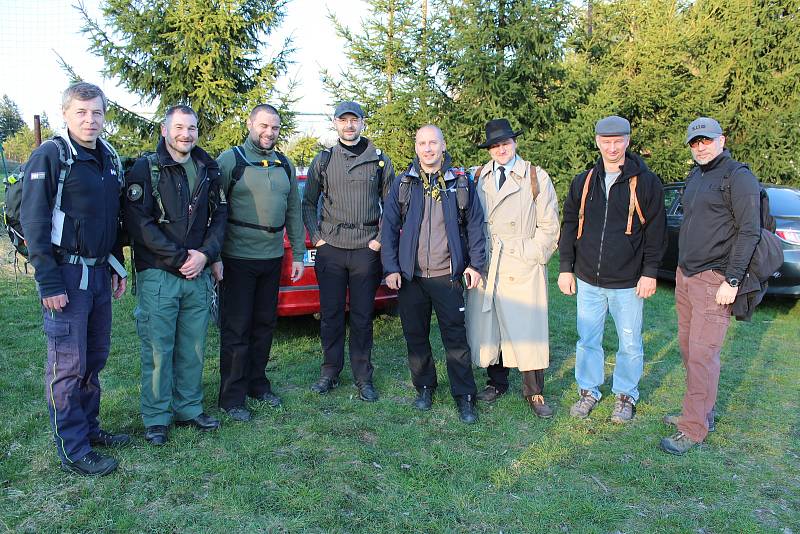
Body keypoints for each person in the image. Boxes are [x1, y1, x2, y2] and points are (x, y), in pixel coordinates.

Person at [20, 82, 129, 476]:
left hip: (99, 273)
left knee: (94, 358)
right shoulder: (52, 155)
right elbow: (34, 222)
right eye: (81, 113)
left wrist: (116, 264)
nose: (90, 120)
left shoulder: (108, 157)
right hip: (65, 275)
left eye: (97, 113)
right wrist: (49, 282)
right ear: (65, 114)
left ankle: (90, 429)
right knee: (68, 363)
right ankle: (73, 449)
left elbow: (112, 220)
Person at [125, 105, 227, 445]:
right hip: (159, 274)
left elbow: (220, 217)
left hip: (197, 275)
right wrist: (182, 257)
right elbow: (140, 224)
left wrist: (206, 255)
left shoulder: (207, 168)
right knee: (157, 350)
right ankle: (156, 417)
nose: (186, 134)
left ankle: (189, 407)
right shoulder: (146, 168)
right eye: (179, 127)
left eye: (192, 128)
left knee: (193, 346)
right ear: (165, 131)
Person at [660, 117, 761, 455]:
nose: (700, 146)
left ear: (722, 140)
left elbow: (749, 232)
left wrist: (732, 281)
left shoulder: (738, 177)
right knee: (690, 351)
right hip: (686, 276)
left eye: (706, 140)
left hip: (714, 280)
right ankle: (699, 413)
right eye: (694, 142)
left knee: (703, 354)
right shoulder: (697, 176)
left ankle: (693, 428)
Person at [558, 115, 666, 423]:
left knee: (629, 342)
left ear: (628, 141)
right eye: (606, 142)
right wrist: (566, 267)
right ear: (598, 142)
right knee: (588, 339)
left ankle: (625, 395)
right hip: (589, 279)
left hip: (629, 282)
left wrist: (650, 272)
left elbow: (656, 232)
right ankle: (589, 390)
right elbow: (569, 224)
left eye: (618, 141)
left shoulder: (645, 182)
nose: (613, 147)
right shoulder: (585, 180)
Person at [381, 124, 485, 423]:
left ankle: (464, 396)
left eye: (433, 143)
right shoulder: (404, 183)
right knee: (416, 337)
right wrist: (390, 268)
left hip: (447, 276)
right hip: (411, 277)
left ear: (443, 145)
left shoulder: (460, 183)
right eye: (422, 143)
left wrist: (475, 265)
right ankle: (424, 387)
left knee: (455, 339)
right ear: (416, 147)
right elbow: (388, 229)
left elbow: (475, 227)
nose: (428, 149)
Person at [213, 104, 305, 422]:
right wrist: (215, 257)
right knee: (236, 328)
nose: (269, 133)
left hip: (272, 258)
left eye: (275, 128)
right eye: (263, 126)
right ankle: (231, 397)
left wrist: (299, 253)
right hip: (237, 259)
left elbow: (293, 209)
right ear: (250, 123)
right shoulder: (230, 160)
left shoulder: (284, 164)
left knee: (264, 325)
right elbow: (214, 211)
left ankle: (257, 384)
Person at [465, 119, 561, 418]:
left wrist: (533, 254)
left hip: (521, 261)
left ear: (514, 143)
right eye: (495, 145)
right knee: (490, 324)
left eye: (505, 143)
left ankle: (534, 391)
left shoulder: (536, 176)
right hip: (488, 260)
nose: (501, 149)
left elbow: (549, 224)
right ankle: (497, 381)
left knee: (527, 327)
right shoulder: (477, 176)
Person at [301, 101, 395, 401]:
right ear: (335, 123)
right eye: (344, 120)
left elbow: (392, 207)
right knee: (330, 315)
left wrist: (378, 240)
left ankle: (363, 376)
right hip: (331, 248)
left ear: (363, 123)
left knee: (362, 316)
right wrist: (317, 238)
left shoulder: (379, 160)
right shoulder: (324, 160)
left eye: (355, 120)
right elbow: (307, 203)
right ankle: (329, 371)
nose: (349, 125)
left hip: (366, 248)